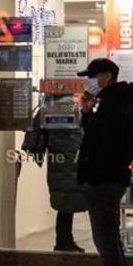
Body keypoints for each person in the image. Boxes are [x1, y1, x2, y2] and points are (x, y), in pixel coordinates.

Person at [76, 58, 133, 266]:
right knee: (108, 240)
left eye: (91, 76)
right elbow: (97, 139)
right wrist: (87, 113)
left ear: (106, 76)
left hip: (105, 182)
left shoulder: (115, 107)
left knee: (107, 241)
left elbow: (107, 149)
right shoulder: (112, 104)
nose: (88, 81)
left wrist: (92, 176)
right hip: (107, 180)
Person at [21, 98, 87, 253]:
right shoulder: (78, 110)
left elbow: (33, 140)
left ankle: (64, 240)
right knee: (68, 204)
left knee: (64, 205)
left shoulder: (47, 109)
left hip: (57, 163)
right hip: (75, 164)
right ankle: (64, 241)